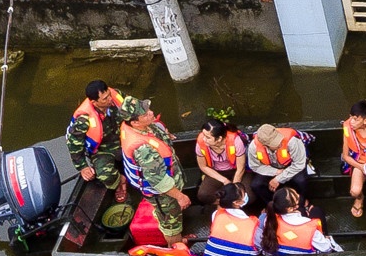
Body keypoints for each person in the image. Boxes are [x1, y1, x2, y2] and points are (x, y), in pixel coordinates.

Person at [118, 97, 191, 247]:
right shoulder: (143, 149)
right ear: (135, 123)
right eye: (145, 114)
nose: (151, 113)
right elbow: (159, 181)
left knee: (172, 216)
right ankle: (176, 247)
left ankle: (177, 238)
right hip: (163, 193)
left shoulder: (143, 127)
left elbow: (158, 138)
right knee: (171, 224)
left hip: (169, 181)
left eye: (148, 110)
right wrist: (180, 196)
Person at [67, 80, 125, 196]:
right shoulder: (83, 120)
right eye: (105, 99)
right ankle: (120, 182)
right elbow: (74, 144)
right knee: (105, 175)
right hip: (102, 150)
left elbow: (137, 110)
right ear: (94, 102)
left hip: (124, 140)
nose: (110, 99)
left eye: (109, 95)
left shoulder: (116, 96)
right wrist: (82, 167)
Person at [248, 123, 313, 211]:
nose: (279, 143)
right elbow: (255, 166)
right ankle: (273, 204)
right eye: (275, 143)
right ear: (265, 145)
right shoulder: (253, 147)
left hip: (292, 165)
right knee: (256, 185)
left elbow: (299, 164)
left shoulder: (293, 141)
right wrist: (275, 172)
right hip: (270, 167)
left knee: (301, 180)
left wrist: (278, 179)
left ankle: (301, 203)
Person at [261, 187, 342, 255]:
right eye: (296, 196)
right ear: (289, 208)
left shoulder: (268, 221)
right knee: (317, 211)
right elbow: (326, 249)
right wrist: (328, 239)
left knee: (304, 211)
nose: (298, 195)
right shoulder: (310, 227)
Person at [193, 116, 251, 208]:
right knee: (203, 194)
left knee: (248, 196)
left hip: (236, 171)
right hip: (216, 172)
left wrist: (233, 189)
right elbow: (203, 167)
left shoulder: (236, 142)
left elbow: (241, 168)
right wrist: (225, 180)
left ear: (219, 139)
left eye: (208, 137)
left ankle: (233, 205)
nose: (204, 139)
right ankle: (224, 205)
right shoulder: (201, 143)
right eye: (203, 135)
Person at [199, 184, 262, 256]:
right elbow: (264, 246)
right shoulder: (254, 225)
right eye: (244, 194)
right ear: (237, 202)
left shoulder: (216, 214)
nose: (246, 195)